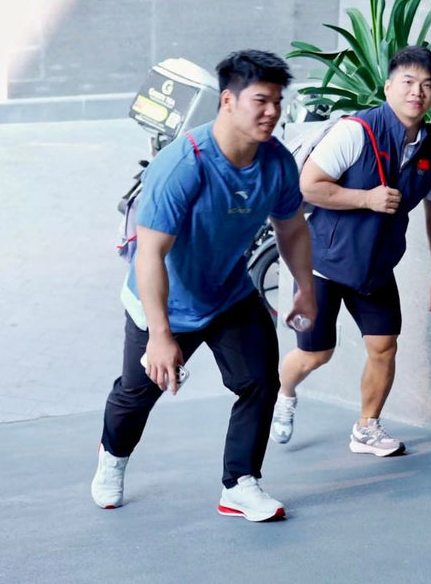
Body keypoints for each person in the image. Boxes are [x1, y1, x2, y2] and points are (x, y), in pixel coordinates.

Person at [90, 50, 317, 522]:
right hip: (165, 301)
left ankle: (239, 484)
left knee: (259, 382)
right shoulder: (184, 164)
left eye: (277, 101)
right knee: (138, 393)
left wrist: (305, 288)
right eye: (260, 100)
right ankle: (112, 456)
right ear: (228, 101)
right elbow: (150, 254)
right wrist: (160, 336)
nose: (271, 112)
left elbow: (292, 228)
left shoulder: (276, 162)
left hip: (228, 293)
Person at [272, 46, 431, 456]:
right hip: (323, 264)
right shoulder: (357, 132)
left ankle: (366, 429)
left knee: (384, 347)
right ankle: (283, 392)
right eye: (408, 82)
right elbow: (309, 186)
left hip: (375, 268)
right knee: (315, 354)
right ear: (388, 87)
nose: (417, 92)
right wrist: (366, 199)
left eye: (426, 84)